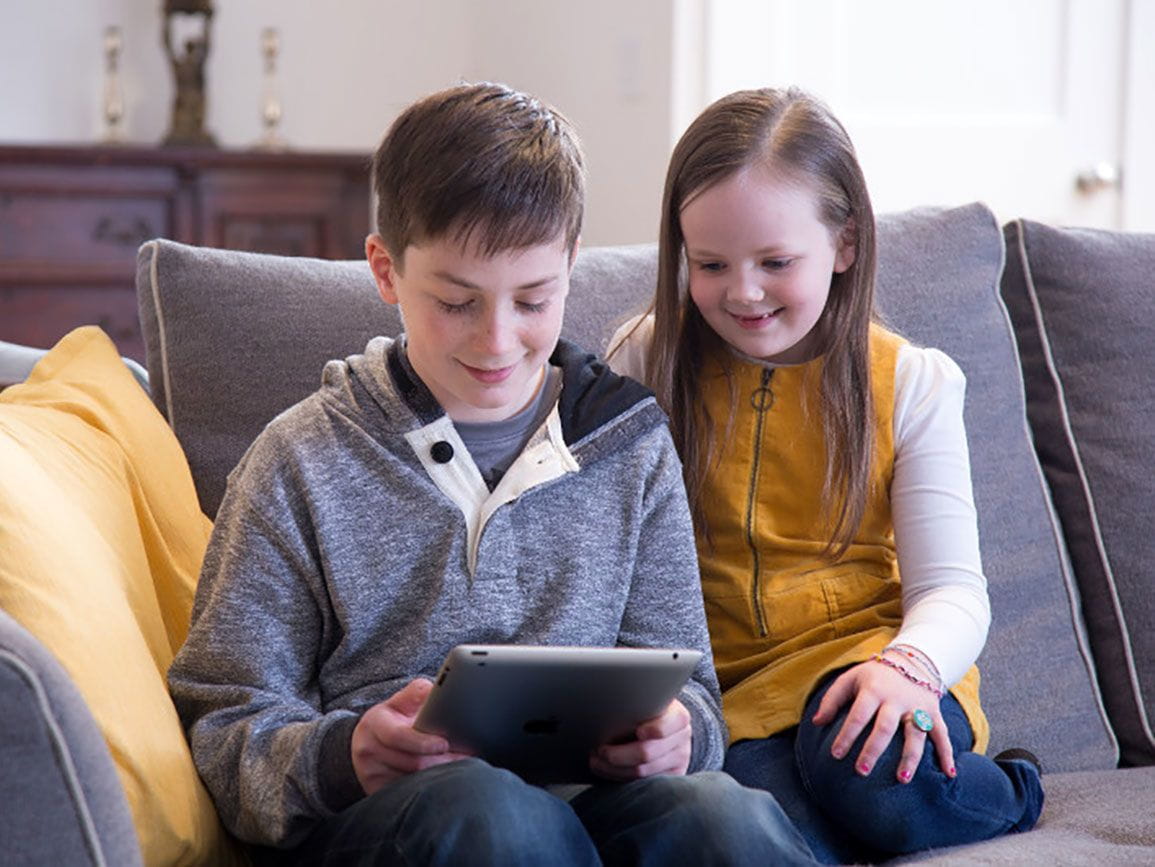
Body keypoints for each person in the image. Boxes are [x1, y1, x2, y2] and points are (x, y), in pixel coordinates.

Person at [167, 82, 815, 866]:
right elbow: (223, 724)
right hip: (399, 820)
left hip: (592, 808)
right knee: (495, 816)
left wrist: (677, 735)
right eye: (456, 301)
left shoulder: (629, 443)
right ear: (384, 269)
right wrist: (341, 757)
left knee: (723, 816)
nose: (498, 340)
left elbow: (693, 696)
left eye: (533, 300)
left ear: (571, 265)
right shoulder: (299, 460)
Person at [608, 86, 1045, 863]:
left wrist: (906, 667)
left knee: (862, 760)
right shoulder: (645, 361)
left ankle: (1012, 791)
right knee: (741, 825)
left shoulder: (909, 381)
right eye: (709, 264)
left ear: (843, 244)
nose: (741, 291)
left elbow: (952, 588)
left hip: (877, 667)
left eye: (775, 262)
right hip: (736, 704)